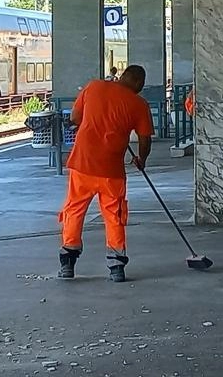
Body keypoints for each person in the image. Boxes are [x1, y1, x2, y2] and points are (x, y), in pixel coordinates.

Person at [58, 64, 153, 283]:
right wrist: (141, 160)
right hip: (111, 172)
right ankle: (116, 268)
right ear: (138, 82)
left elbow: (74, 117)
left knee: (74, 210)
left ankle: (67, 264)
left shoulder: (93, 87)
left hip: (82, 165)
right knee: (114, 216)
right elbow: (145, 139)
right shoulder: (138, 104)